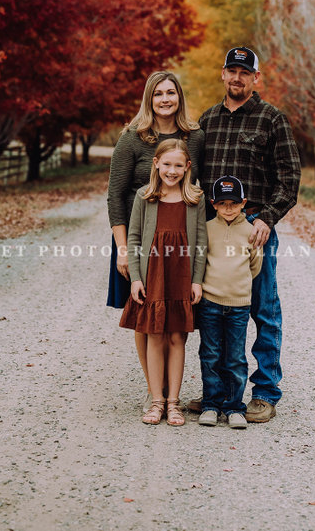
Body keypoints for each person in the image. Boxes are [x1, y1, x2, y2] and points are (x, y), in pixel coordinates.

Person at [197, 46, 301, 423]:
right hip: (213, 230)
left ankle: (265, 392)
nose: (237, 77)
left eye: (245, 72)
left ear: (256, 78)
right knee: (215, 312)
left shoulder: (271, 119)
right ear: (223, 74)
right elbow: (194, 177)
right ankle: (221, 394)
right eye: (232, 70)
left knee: (262, 309)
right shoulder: (207, 120)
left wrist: (267, 218)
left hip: (254, 228)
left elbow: (289, 178)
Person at [106, 71, 204, 409]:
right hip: (138, 239)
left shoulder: (194, 137)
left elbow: (198, 186)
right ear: (149, 99)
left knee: (174, 315)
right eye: (158, 93)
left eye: (171, 93)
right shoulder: (132, 138)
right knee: (143, 313)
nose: (165, 99)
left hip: (179, 241)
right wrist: (122, 249)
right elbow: (115, 195)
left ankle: (169, 392)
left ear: (179, 97)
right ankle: (155, 391)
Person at [119, 138, 207, 426]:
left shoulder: (195, 199)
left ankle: (173, 403)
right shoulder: (145, 196)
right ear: (156, 163)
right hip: (153, 274)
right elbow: (134, 238)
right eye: (167, 164)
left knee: (177, 337)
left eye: (178, 166)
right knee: (155, 335)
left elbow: (201, 242)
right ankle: (156, 401)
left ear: (187, 167)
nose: (172, 171)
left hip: (181, 274)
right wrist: (136, 278)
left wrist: (196, 280)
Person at [197, 175, 262, 430]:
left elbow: (255, 265)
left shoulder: (251, 231)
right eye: (222, 203)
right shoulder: (206, 229)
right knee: (210, 354)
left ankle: (234, 407)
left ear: (243, 203)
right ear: (213, 203)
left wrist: (237, 287)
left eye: (233, 203)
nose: (228, 208)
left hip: (238, 305)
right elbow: (200, 262)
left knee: (235, 357)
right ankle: (211, 405)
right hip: (210, 302)